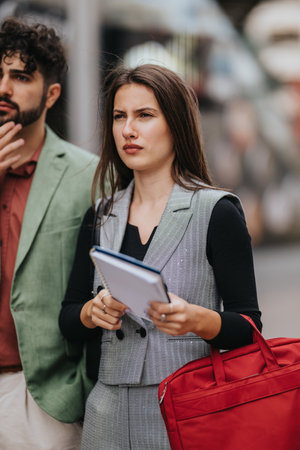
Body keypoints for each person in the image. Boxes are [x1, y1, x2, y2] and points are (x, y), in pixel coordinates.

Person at [59, 64, 262, 450]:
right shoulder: (101, 214)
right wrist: (92, 311)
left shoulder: (215, 211)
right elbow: (68, 317)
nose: (128, 130)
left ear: (176, 124)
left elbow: (249, 328)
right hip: (106, 412)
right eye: (119, 116)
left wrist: (199, 319)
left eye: (144, 115)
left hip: (187, 409)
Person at [0, 18, 98, 450]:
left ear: (51, 93)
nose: (3, 88)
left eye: (20, 77)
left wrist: (81, 391)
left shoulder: (88, 175)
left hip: (43, 399)